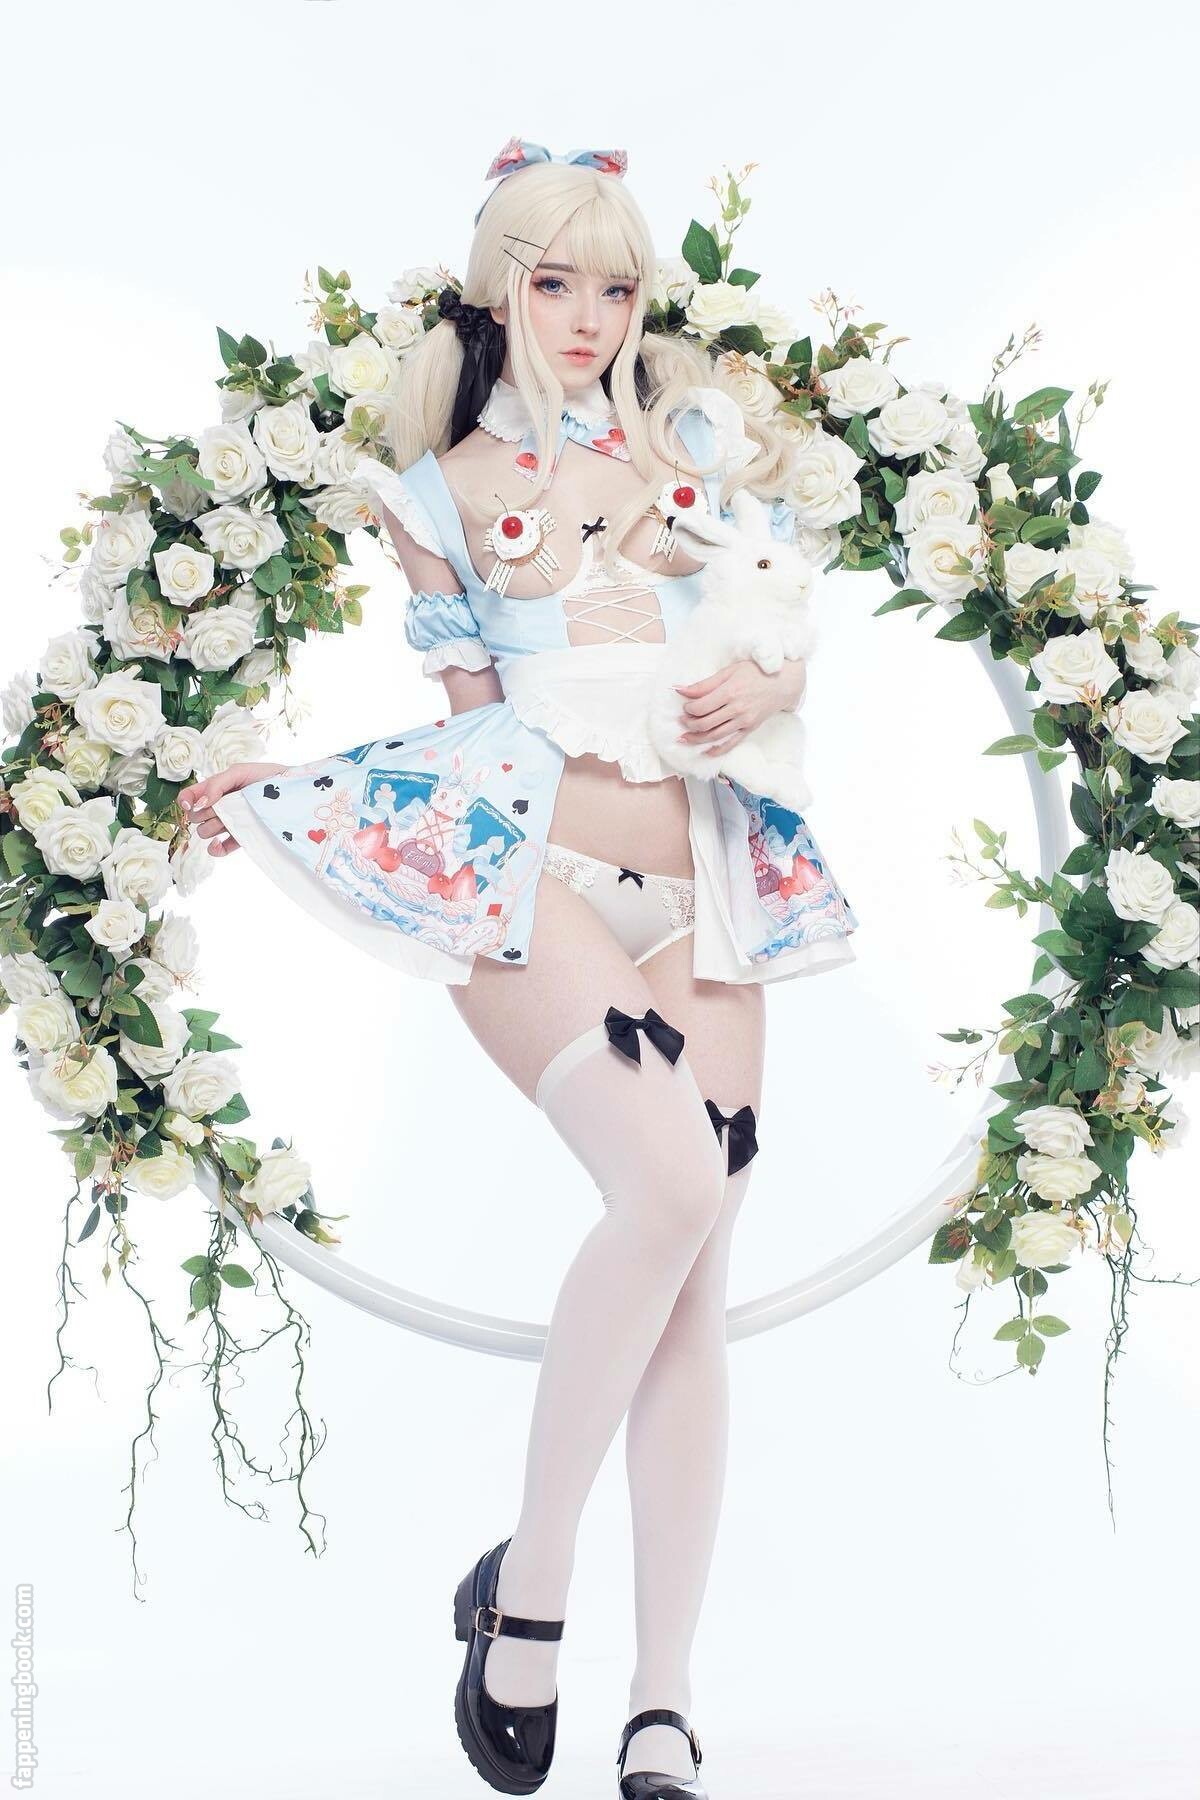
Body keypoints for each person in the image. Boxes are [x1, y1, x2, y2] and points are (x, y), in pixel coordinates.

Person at [179, 137, 859, 1798]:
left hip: (703, 876)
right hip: (532, 873)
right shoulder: (440, 492)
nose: (586, 315)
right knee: (667, 1188)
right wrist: (299, 785)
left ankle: (665, 1693)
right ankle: (530, 1589)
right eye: (555, 282)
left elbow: (773, 638)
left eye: (613, 286)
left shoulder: (698, 448)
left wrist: (763, 691)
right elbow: (471, 728)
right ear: (501, 287)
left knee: (694, 1261)